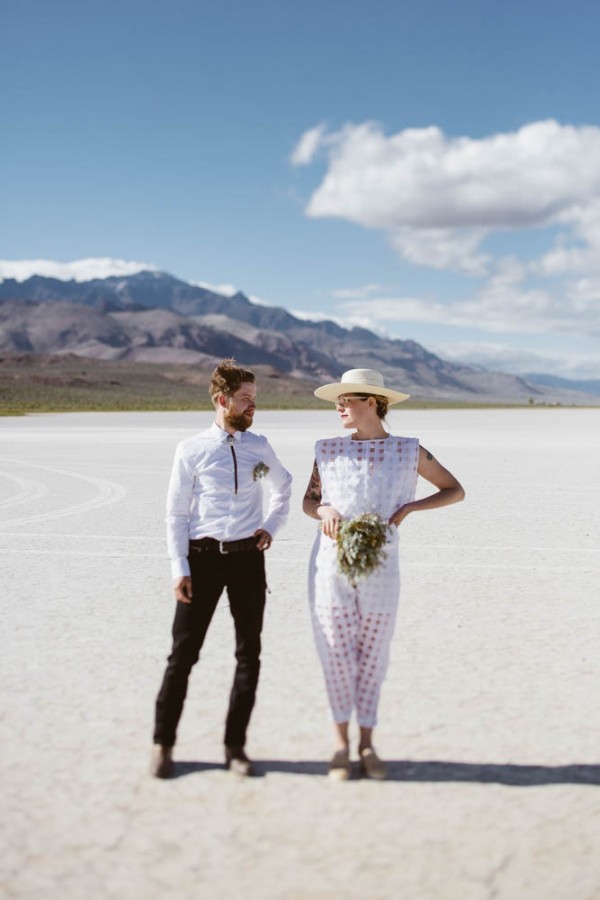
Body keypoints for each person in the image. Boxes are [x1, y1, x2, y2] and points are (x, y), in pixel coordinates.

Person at [303, 368, 464, 780]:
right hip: (331, 566)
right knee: (336, 651)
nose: (339, 406)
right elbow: (309, 501)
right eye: (337, 400)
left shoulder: (409, 451)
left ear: (371, 403)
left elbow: (454, 489)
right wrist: (325, 510)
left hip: (381, 566)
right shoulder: (327, 450)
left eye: (347, 399)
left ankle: (368, 744)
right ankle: (341, 745)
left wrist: (410, 507)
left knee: (374, 653)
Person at [152, 359, 292, 778]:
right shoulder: (192, 450)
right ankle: (163, 745)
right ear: (222, 399)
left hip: (248, 561)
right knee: (182, 656)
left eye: (255, 399)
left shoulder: (258, 448)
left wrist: (271, 525)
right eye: (246, 400)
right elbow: (176, 513)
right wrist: (180, 567)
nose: (253, 407)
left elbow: (280, 485)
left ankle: (235, 746)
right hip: (203, 560)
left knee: (249, 654)